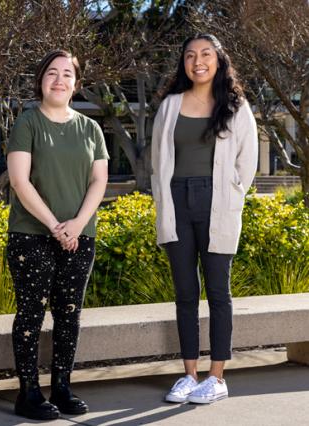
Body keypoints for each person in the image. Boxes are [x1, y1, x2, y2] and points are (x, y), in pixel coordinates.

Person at [151, 34, 258, 404]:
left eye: (206, 54)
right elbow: (158, 160)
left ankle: (217, 377)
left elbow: (248, 162)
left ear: (219, 60)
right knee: (185, 293)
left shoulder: (235, 105)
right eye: (190, 55)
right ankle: (189, 375)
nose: (198, 61)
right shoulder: (170, 105)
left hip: (217, 201)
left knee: (218, 293)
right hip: (177, 201)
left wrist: (230, 194)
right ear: (183, 63)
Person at [6, 50, 109, 420]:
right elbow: (20, 181)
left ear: (76, 84)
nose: (59, 80)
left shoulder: (91, 128)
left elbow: (99, 180)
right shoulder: (28, 123)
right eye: (52, 73)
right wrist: (54, 226)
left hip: (80, 236)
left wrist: (78, 223)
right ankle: (28, 393)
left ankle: (62, 387)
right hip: (32, 235)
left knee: (69, 314)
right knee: (31, 314)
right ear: (41, 80)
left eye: (67, 74)